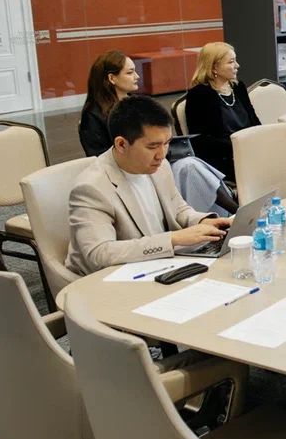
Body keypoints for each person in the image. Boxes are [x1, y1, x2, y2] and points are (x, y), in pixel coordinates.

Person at [66, 96, 232, 276]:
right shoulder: (92, 187)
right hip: (111, 278)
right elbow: (100, 253)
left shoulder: (160, 167)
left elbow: (177, 208)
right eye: (153, 146)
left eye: (166, 143)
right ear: (121, 144)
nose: (162, 154)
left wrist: (202, 221)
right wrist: (172, 239)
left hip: (157, 263)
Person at [79, 51, 235, 214]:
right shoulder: (93, 116)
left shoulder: (137, 103)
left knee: (190, 165)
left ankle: (223, 215)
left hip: (157, 164)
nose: (137, 76)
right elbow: (100, 157)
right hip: (131, 173)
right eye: (130, 72)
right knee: (189, 167)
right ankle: (229, 212)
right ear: (112, 78)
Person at [184, 42, 261, 182]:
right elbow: (200, 140)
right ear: (214, 67)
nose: (237, 65)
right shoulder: (199, 95)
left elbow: (255, 122)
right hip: (223, 159)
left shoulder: (238, 87)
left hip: (249, 150)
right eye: (231, 62)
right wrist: (239, 146)